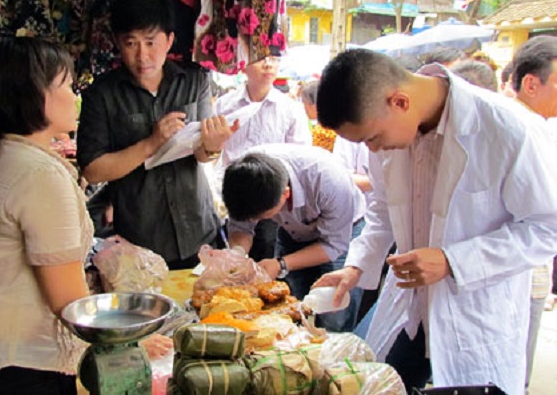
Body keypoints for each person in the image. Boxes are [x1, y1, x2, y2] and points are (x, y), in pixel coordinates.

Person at [313, 49, 557, 394]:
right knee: (378, 384)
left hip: (476, 314)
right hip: (411, 310)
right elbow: (383, 210)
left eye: (372, 139)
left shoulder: (507, 128)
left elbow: (546, 227)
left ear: (399, 101)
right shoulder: (388, 127)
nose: (374, 151)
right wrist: (355, 267)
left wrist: (452, 261)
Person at [76, 0, 237, 270]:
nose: (142, 56)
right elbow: (93, 170)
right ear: (117, 42)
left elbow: (202, 155)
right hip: (141, 241)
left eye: (151, 42)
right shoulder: (100, 95)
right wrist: (151, 143)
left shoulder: (194, 80)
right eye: (131, 43)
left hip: (199, 231)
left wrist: (212, 146)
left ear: (169, 40)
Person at [222, 144, 362, 332]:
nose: (255, 222)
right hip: (293, 230)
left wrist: (280, 264)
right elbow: (241, 225)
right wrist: (236, 255)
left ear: (285, 195)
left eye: (261, 217)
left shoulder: (328, 180)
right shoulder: (245, 175)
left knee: (333, 313)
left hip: (342, 233)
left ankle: (332, 354)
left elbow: (333, 245)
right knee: (292, 306)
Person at [214, 54, 311, 262]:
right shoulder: (225, 105)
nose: (268, 64)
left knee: (266, 252)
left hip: (272, 197)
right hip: (235, 195)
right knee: (233, 256)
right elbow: (213, 150)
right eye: (260, 58)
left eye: (274, 59)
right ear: (243, 66)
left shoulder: (290, 109)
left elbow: (300, 156)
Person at [510, 34, 557, 390]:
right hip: (519, 267)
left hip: (532, 266)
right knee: (514, 361)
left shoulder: (541, 127)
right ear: (530, 84)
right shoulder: (517, 130)